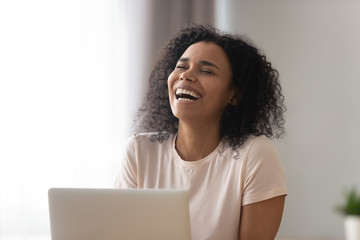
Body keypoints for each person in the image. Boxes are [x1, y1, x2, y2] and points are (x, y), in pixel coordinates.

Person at [115, 25, 288, 240]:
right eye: (181, 66)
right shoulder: (139, 151)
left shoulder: (254, 154)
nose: (186, 76)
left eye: (206, 71)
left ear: (234, 95)